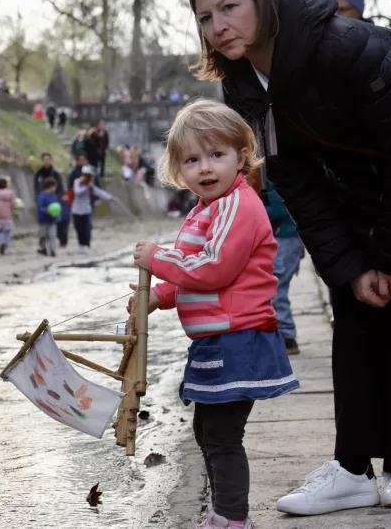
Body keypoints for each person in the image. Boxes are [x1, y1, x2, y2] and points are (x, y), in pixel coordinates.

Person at [189, 0, 391, 514]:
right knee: (355, 309)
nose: (218, 26)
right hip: (356, 201)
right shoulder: (242, 82)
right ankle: (353, 469)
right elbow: (293, 177)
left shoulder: (346, 47)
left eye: (229, 7)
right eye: (205, 17)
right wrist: (350, 266)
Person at [132, 99, 298, 529]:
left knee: (223, 435)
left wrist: (157, 258)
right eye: (192, 160)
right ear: (178, 168)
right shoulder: (207, 208)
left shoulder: (238, 205)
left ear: (241, 157)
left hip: (238, 338)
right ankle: (224, 511)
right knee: (206, 431)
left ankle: (231, 518)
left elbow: (215, 268)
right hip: (217, 339)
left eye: (216, 155)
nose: (204, 168)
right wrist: (160, 295)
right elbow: (195, 273)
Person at [264, 183, 302, 355]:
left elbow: (280, 208)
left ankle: (286, 335)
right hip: (285, 238)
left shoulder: (272, 180)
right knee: (276, 287)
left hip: (285, 239)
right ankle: (284, 333)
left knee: (276, 288)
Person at [70, 165, 97, 255]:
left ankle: (86, 245)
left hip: (86, 210)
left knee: (87, 229)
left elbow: (97, 191)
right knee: (79, 229)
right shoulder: (77, 182)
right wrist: (87, 186)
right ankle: (81, 245)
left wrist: (111, 198)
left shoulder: (90, 185)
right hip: (76, 210)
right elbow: (77, 192)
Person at [0, 177, 17, 255]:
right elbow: (14, 205)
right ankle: (5, 243)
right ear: (6, 185)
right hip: (8, 216)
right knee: (7, 231)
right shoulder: (11, 193)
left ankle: (0, 240)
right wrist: (19, 207)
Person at [36, 178, 60, 257]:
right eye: (54, 186)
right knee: (43, 236)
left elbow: (57, 206)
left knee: (52, 235)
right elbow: (41, 208)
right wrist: (47, 210)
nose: (55, 188)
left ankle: (52, 250)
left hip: (52, 220)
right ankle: (43, 248)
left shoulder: (54, 196)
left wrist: (57, 214)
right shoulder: (42, 196)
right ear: (50, 186)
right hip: (43, 220)